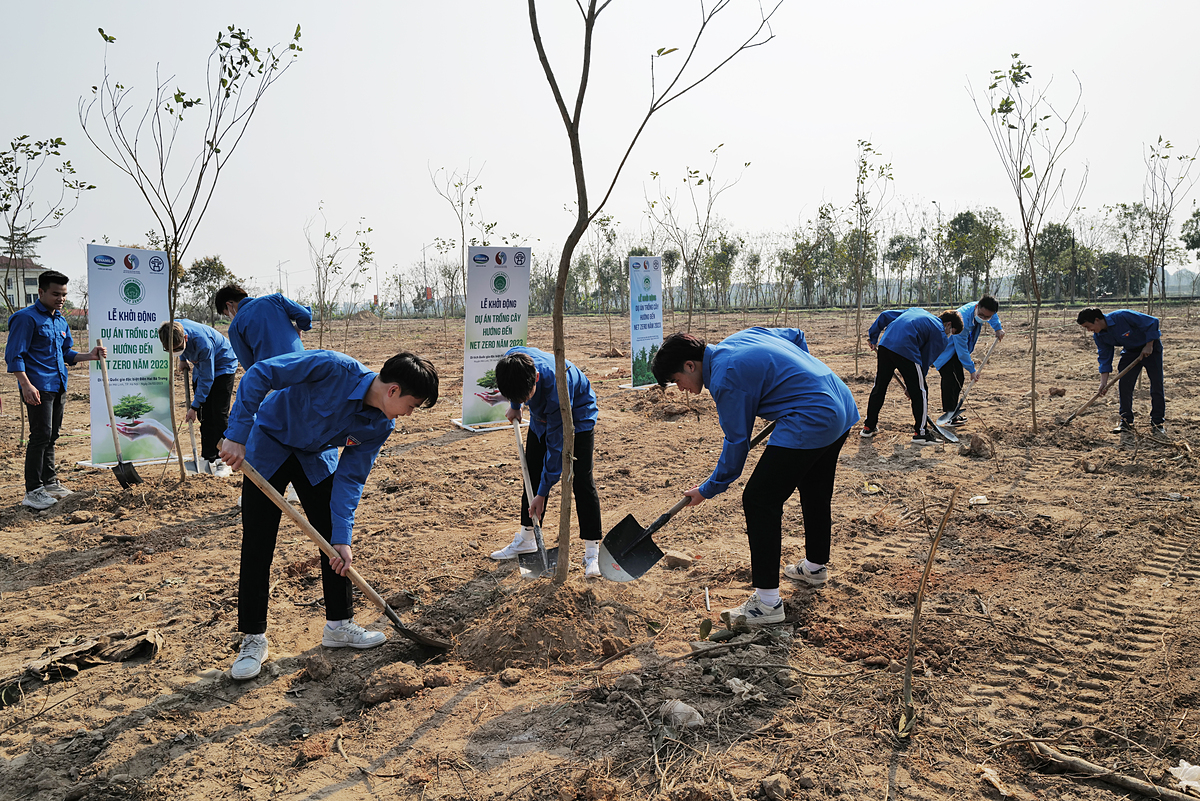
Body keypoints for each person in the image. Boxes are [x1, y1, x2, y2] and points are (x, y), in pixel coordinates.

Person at [217, 349, 439, 680]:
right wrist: (236, 433)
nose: (408, 414)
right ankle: (253, 638)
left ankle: (339, 625)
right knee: (258, 543)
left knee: (333, 543)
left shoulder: (380, 424)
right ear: (393, 390)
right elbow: (259, 373)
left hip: (314, 457)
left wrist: (343, 537)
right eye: (411, 406)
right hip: (269, 442)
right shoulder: (332, 368)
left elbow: (350, 478)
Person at [650, 328, 860, 627]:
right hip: (839, 403)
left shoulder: (725, 378)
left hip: (812, 416)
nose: (680, 388)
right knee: (814, 486)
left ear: (690, 365)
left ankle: (766, 604)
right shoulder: (741, 338)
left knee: (759, 500)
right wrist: (803, 381)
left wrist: (707, 489)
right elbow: (798, 336)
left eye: (676, 381)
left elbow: (736, 449)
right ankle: (813, 568)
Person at [489, 347, 602, 578]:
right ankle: (527, 538)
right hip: (542, 416)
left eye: (524, 397)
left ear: (537, 379)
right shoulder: (513, 361)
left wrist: (542, 492)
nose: (520, 400)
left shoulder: (557, 389)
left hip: (576, 415)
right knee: (530, 471)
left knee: (580, 478)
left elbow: (555, 449)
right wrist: (515, 405)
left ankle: (592, 552)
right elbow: (517, 392)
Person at [5, 270, 107, 510]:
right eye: (55, 294)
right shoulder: (25, 318)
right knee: (39, 437)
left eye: (63, 295)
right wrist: (26, 384)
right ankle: (33, 490)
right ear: (40, 292)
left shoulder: (60, 319)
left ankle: (50, 482)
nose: (60, 299)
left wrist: (89, 356)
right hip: (37, 386)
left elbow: (66, 353)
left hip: (58, 383)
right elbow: (14, 355)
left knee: (52, 436)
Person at [861, 308, 964, 444]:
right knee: (921, 391)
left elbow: (885, 315)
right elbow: (926, 360)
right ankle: (921, 433)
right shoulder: (940, 333)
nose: (949, 335)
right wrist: (913, 386)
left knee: (879, 386)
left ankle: (869, 427)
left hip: (886, 345)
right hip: (906, 348)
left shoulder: (917, 311)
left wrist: (873, 337)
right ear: (949, 324)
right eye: (952, 332)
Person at [158, 320, 239, 477]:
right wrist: (182, 359)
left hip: (223, 365)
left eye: (179, 349)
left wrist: (194, 407)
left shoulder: (203, 344)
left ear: (186, 338)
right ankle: (208, 458)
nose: (175, 351)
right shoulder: (171, 329)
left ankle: (225, 461)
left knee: (218, 414)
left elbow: (207, 378)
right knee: (205, 416)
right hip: (201, 364)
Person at [1076, 307, 1166, 435]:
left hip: (1151, 348)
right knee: (1124, 385)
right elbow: (1104, 358)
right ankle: (1126, 421)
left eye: (1088, 326)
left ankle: (1157, 423)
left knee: (1157, 384)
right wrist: (1103, 383)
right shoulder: (1099, 336)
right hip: (1130, 352)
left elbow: (1152, 322)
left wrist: (1149, 345)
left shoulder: (1122, 316)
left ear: (1097, 320)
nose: (1088, 330)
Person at [933, 296, 1005, 424]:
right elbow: (962, 351)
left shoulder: (984, 310)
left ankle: (953, 413)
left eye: (986, 317)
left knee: (958, 378)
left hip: (955, 351)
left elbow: (993, 316)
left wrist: (998, 328)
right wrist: (972, 370)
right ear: (977, 307)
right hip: (945, 350)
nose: (983, 319)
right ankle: (950, 415)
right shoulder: (963, 320)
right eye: (981, 315)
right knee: (951, 379)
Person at [213, 284, 312, 370]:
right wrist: (298, 328)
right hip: (301, 364)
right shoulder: (275, 299)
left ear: (229, 305)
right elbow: (305, 315)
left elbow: (250, 366)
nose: (230, 317)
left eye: (227, 314)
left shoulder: (235, 326)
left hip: (273, 376)